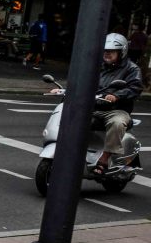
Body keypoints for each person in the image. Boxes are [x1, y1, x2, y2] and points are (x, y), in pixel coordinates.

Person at [50, 34, 144, 175]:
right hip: (92, 106)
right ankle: (72, 152)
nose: (107, 53)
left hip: (116, 110)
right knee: (70, 116)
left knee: (117, 122)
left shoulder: (132, 69)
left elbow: (135, 87)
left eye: (111, 51)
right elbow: (81, 81)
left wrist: (117, 96)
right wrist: (64, 89)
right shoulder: (97, 66)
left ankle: (104, 159)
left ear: (122, 52)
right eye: (105, 50)